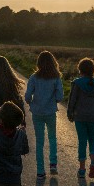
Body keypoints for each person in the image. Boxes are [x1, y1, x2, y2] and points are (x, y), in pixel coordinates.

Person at [24, 50, 64, 179]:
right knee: (52, 138)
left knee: (39, 141)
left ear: (39, 63)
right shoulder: (56, 78)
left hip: (37, 112)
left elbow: (27, 96)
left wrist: (30, 102)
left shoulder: (34, 77)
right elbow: (60, 96)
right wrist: (54, 100)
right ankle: (53, 164)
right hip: (50, 112)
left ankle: (40, 171)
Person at [67, 57, 94, 178]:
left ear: (80, 70)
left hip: (80, 117)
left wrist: (70, 113)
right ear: (93, 70)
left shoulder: (77, 83)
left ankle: (82, 169)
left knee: (82, 141)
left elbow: (72, 100)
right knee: (93, 140)